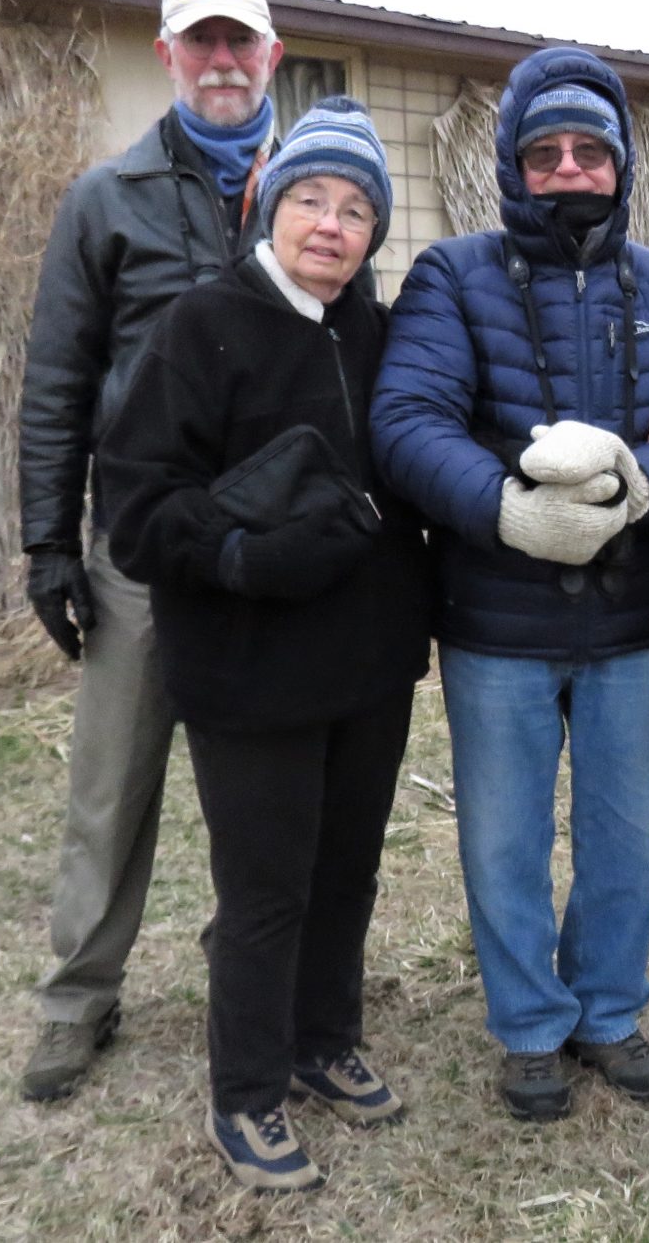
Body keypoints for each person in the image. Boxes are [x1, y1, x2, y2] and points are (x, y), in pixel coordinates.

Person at [370, 46, 649, 1122]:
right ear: (514, 165)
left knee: (624, 836)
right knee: (504, 839)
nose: (571, 169)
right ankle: (531, 1025)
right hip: (494, 620)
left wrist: (645, 479)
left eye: (592, 150)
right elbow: (407, 421)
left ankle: (608, 1010)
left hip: (627, 618)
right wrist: (508, 509)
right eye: (547, 153)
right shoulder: (452, 277)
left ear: (621, 165)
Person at [98, 98, 430, 1192]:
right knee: (266, 889)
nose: (331, 224)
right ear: (270, 209)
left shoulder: (378, 336)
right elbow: (135, 505)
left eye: (355, 209)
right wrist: (240, 557)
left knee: (346, 871)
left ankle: (323, 1040)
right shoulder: (204, 324)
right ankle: (245, 1088)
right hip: (247, 671)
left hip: (368, 668)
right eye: (310, 199)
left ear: (374, 232)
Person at [15, 0, 285, 1102]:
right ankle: (79, 994)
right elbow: (58, 377)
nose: (221, 61)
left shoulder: (313, 190)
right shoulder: (106, 198)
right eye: (200, 42)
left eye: (239, 42)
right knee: (113, 781)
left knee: (262, 778)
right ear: (166, 55)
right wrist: (47, 541)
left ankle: (249, 959)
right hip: (140, 548)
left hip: (265, 548)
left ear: (271, 56)